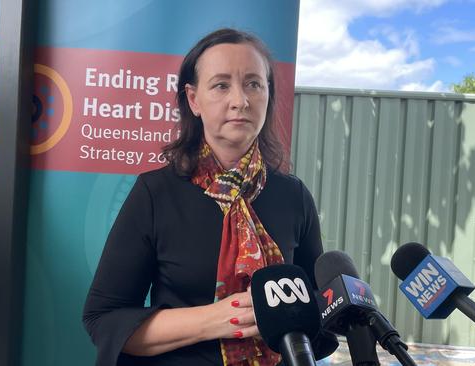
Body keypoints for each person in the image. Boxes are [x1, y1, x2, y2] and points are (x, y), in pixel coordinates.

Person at [82, 28, 330, 365]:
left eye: (254, 84)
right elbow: (105, 319)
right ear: (194, 99)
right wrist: (219, 318)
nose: (240, 100)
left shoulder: (294, 196)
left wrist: (298, 313)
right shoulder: (155, 194)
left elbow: (322, 305)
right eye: (221, 85)